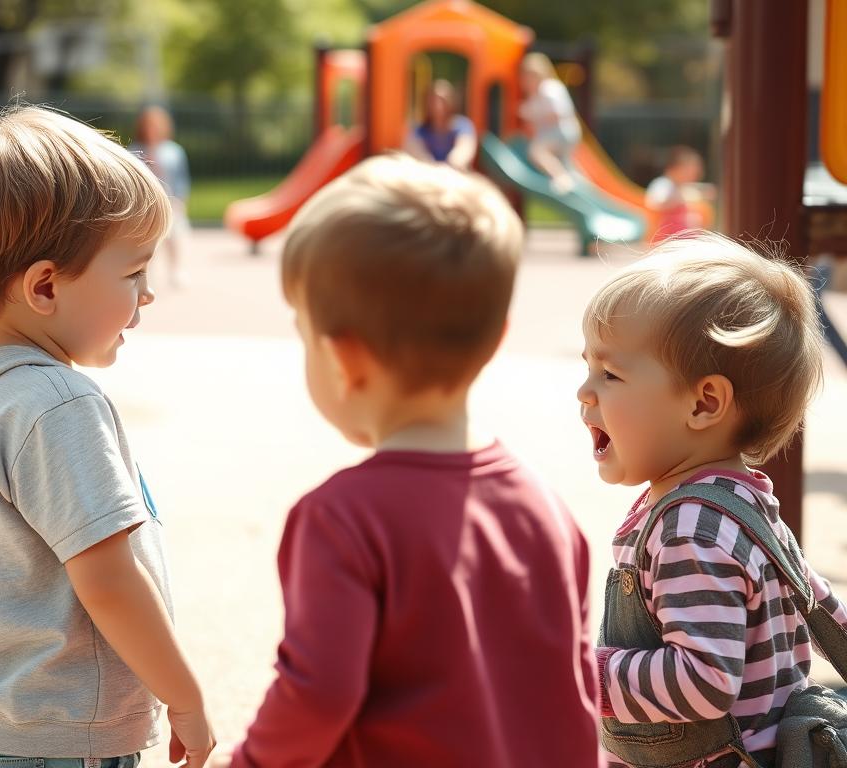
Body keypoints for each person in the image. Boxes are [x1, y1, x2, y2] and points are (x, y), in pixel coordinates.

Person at [207, 155, 602, 768]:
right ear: (498, 337)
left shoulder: (342, 519)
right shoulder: (546, 509)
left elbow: (319, 694)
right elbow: (572, 690)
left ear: (345, 360)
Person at [0, 106, 215, 768]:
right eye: (132, 274)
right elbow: (108, 581)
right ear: (45, 286)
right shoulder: (59, 405)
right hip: (66, 735)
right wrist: (182, 696)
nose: (147, 294)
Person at [577, 233, 845, 767]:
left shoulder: (688, 528)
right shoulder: (746, 502)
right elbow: (825, 613)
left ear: (704, 403)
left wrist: (587, 672)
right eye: (588, 369)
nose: (585, 391)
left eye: (610, 374)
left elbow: (703, 680)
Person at [130, 106, 191, 288]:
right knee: (147, 241)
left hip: (170, 199)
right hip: (145, 203)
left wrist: (181, 199)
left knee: (174, 237)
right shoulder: (134, 150)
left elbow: (181, 178)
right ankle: (146, 274)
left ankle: (175, 270)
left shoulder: (174, 151)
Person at [518, 52, 582, 194]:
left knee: (537, 151)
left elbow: (556, 113)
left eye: (530, 77)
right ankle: (573, 180)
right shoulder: (539, 93)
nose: (527, 81)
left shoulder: (548, 88)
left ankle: (560, 177)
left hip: (561, 131)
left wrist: (535, 116)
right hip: (564, 132)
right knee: (563, 161)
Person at [402, 79, 477, 170]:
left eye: (442, 100)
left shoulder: (463, 126)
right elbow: (417, 154)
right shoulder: (419, 131)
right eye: (433, 100)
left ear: (451, 102)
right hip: (429, 178)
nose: (437, 105)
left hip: (455, 177)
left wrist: (451, 165)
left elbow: (463, 153)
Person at [644, 145, 712, 240]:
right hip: (666, 240)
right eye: (688, 170)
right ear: (674, 168)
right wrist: (682, 198)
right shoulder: (664, 184)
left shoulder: (680, 187)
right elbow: (657, 202)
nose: (693, 174)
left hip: (681, 239)